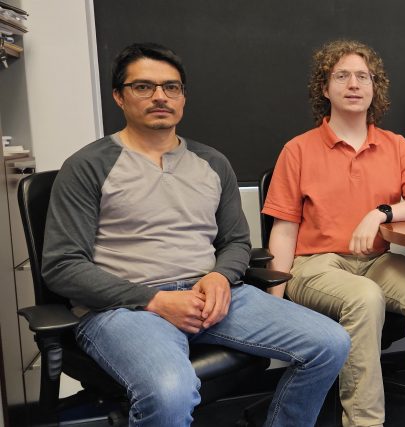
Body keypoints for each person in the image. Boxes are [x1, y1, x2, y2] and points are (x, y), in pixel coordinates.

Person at [41, 43, 350, 426]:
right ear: (119, 97)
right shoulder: (87, 166)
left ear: (183, 98)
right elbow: (62, 267)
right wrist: (154, 299)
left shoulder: (213, 163)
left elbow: (236, 242)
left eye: (171, 87)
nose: (159, 96)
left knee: (330, 343)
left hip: (211, 296)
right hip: (124, 307)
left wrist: (220, 276)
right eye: (143, 87)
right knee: (169, 393)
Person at [263, 40, 405, 427]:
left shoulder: (395, 145)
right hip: (315, 265)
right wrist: (275, 302)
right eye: (341, 76)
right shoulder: (298, 150)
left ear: (374, 88)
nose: (353, 84)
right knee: (365, 299)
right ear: (325, 88)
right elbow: (283, 231)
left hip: (376, 260)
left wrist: (381, 212)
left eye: (362, 77)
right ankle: (364, 421)